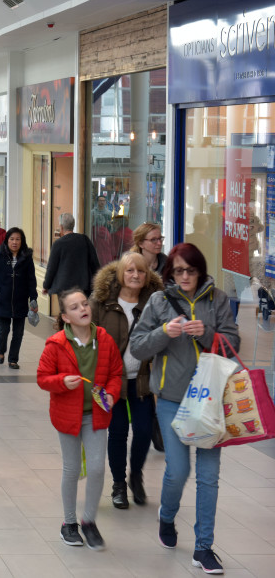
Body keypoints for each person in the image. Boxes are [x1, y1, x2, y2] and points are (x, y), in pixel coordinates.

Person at [129, 243, 237, 574]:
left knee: (208, 477)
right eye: (179, 270)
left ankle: (204, 547)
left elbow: (233, 342)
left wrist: (207, 333)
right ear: (170, 273)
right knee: (178, 470)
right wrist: (164, 332)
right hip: (173, 399)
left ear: (200, 270)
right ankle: (167, 515)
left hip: (211, 400)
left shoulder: (216, 299)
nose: (186, 276)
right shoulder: (160, 301)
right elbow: (137, 345)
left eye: (191, 270)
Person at [36, 288, 123, 552]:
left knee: (97, 468)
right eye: (74, 307)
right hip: (67, 416)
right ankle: (69, 523)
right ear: (65, 317)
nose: (83, 309)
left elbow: (116, 374)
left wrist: (111, 394)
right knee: (72, 469)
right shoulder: (56, 344)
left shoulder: (105, 340)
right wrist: (61, 381)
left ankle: (89, 521)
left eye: (85, 303)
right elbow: (42, 378)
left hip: (96, 414)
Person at [90, 251, 163, 510]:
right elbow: (89, 336)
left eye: (141, 271)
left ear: (147, 276)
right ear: (121, 273)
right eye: (130, 270)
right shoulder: (102, 300)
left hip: (142, 378)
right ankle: (119, 484)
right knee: (118, 432)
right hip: (111, 381)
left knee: (144, 431)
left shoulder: (155, 302)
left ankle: (136, 476)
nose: (135, 275)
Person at [0, 227, 38, 369]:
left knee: (18, 332)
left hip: (21, 301)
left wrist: (33, 298)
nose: (14, 242)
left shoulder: (26, 258)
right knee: (4, 329)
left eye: (18, 239)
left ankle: (13, 359)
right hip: (3, 300)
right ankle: (0, 351)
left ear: (22, 241)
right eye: (12, 239)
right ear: (7, 241)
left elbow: (31, 280)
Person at [43, 213, 100, 299]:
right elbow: (94, 264)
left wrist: (46, 286)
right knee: (81, 310)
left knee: (67, 311)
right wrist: (99, 282)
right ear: (73, 225)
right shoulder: (84, 240)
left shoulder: (58, 244)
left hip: (64, 289)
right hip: (83, 287)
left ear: (61, 227)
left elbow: (51, 268)